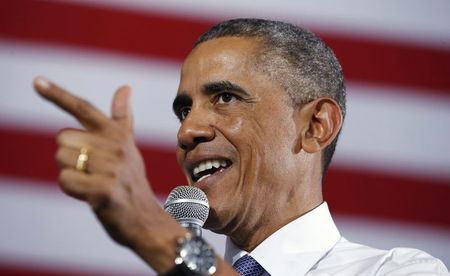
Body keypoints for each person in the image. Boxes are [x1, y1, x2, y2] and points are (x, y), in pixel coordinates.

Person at [33, 18, 448, 275]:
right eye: (184, 110)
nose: (187, 131)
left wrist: (154, 233)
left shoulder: (400, 272)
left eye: (225, 98)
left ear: (316, 126)